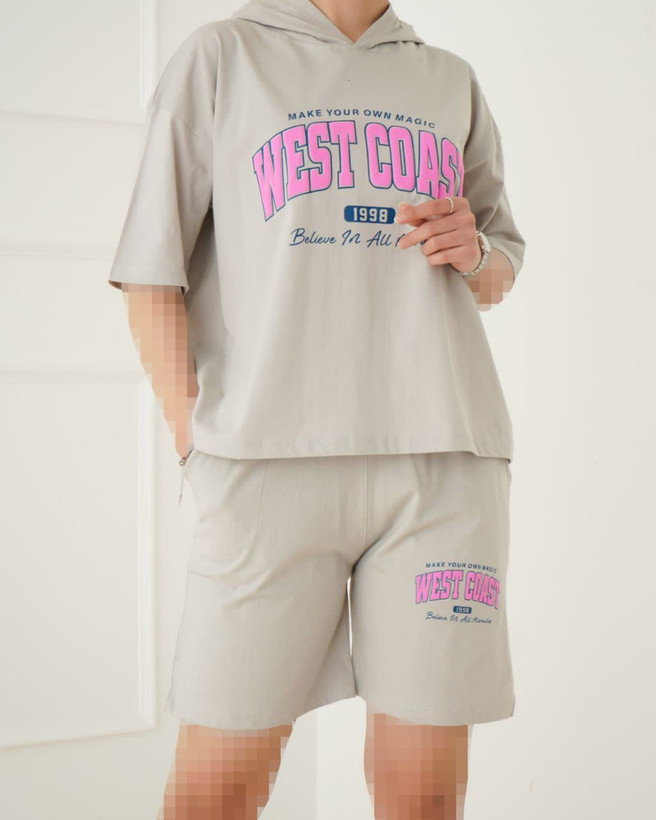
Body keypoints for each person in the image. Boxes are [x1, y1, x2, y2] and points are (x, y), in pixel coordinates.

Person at [108, 0, 525, 817]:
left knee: (424, 794)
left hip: (444, 471)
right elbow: (152, 271)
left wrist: (474, 250)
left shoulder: (450, 80)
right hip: (265, 472)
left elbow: (497, 267)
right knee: (218, 790)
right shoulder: (221, 58)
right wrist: (197, 443)